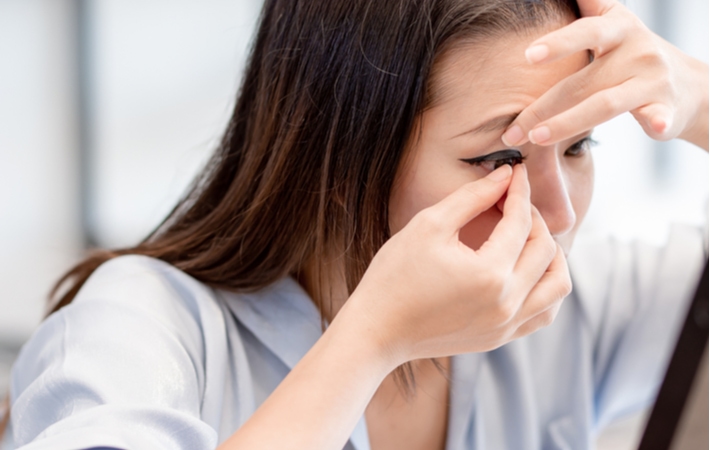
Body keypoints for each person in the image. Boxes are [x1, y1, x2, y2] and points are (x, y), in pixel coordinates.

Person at [2, 0, 707, 448]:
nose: (558, 214)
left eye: (579, 146)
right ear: (337, 160)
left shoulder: (574, 308)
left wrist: (701, 99)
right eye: (498, 158)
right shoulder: (140, 326)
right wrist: (371, 341)